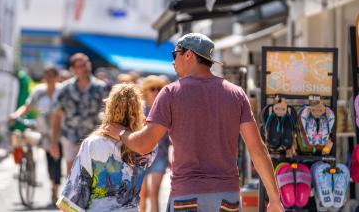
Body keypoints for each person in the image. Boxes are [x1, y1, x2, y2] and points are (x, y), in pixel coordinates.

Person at [104, 33, 284, 212]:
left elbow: (143, 144)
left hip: (187, 195)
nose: (173, 62)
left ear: (189, 54)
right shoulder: (236, 94)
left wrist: (120, 132)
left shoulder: (171, 93)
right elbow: (257, 149)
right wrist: (274, 199)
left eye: (175, 54)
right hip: (227, 196)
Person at [56, 83, 156, 212]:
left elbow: (77, 190)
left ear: (109, 107)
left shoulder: (92, 143)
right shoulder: (148, 147)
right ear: (138, 110)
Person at [10, 66, 62, 205]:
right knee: (50, 161)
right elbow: (27, 106)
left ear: (57, 77)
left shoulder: (62, 91)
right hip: (44, 133)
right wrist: (16, 114)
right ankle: (48, 183)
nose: (49, 79)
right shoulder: (39, 91)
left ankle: (55, 190)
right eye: (47, 76)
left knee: (57, 161)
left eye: (52, 76)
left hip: (61, 133)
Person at [50, 53, 107, 175]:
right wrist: (54, 142)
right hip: (70, 135)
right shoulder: (64, 89)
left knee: (92, 172)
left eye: (87, 63)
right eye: (81, 65)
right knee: (72, 172)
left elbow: (108, 114)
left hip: (93, 137)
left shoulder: (101, 88)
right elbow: (56, 116)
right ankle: (72, 194)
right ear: (74, 69)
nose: (85, 67)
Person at [139, 75, 169, 212]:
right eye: (152, 88)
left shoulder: (166, 110)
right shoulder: (139, 111)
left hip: (160, 157)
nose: (156, 92)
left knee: (154, 194)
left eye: (159, 88)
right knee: (142, 195)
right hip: (140, 157)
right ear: (145, 90)